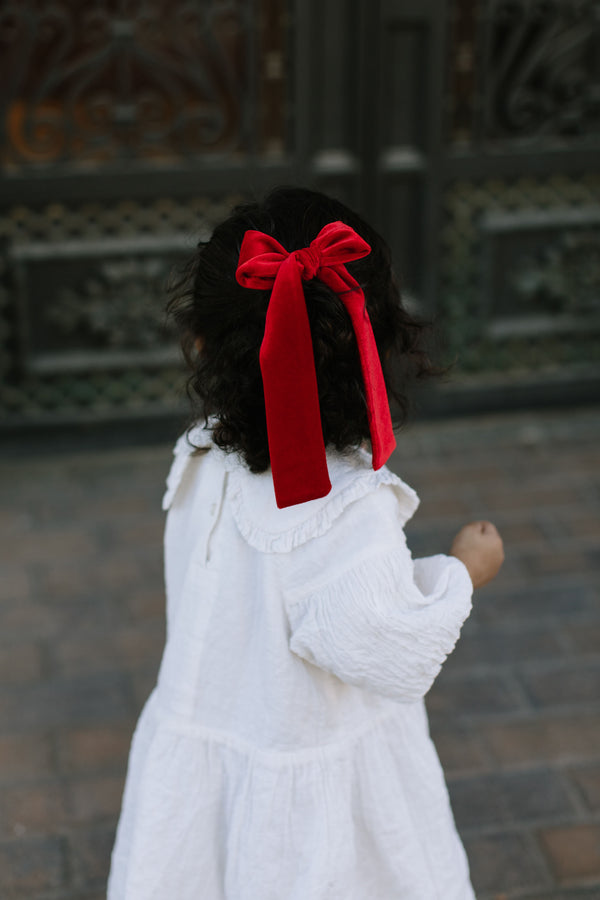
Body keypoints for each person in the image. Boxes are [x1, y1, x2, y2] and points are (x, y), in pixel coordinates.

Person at [108, 186, 504, 900]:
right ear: (377, 348)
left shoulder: (203, 450)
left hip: (210, 725)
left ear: (203, 342)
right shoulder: (343, 507)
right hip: (303, 762)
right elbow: (380, 638)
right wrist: (465, 571)